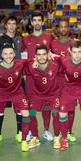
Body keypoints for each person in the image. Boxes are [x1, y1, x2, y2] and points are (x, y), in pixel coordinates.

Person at [0, 44, 30, 153]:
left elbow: (36, 59)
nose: (8, 56)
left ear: (14, 54)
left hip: (17, 92)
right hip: (0, 93)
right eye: (5, 54)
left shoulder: (20, 63)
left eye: (11, 53)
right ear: (1, 55)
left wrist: (49, 54)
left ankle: (24, 140)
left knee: (26, 113)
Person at [21, 13, 55, 142]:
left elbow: (53, 54)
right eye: (34, 20)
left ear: (42, 23)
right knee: (31, 106)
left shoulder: (49, 37)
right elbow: (19, 55)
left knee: (46, 105)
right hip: (31, 77)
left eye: (39, 20)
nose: (36, 22)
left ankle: (46, 130)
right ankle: (31, 131)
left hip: (46, 77)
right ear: (31, 23)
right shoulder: (26, 39)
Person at [0, 15, 23, 144]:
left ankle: (19, 133)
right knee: (0, 108)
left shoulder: (20, 39)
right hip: (4, 80)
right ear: (5, 25)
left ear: (16, 25)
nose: (11, 26)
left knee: (19, 107)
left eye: (14, 23)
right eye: (9, 23)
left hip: (18, 79)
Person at [58, 40, 81, 151]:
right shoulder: (63, 60)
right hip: (69, 88)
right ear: (69, 51)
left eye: (79, 52)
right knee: (62, 112)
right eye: (74, 52)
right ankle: (64, 139)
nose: (77, 55)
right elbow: (51, 57)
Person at [23, 45, 60, 149]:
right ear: (35, 56)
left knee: (56, 114)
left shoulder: (55, 65)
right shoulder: (31, 66)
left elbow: (68, 58)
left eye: (44, 54)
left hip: (53, 94)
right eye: (39, 55)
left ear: (48, 55)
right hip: (37, 94)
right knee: (31, 113)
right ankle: (35, 137)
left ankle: (57, 137)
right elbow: (16, 63)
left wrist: (54, 55)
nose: (42, 57)